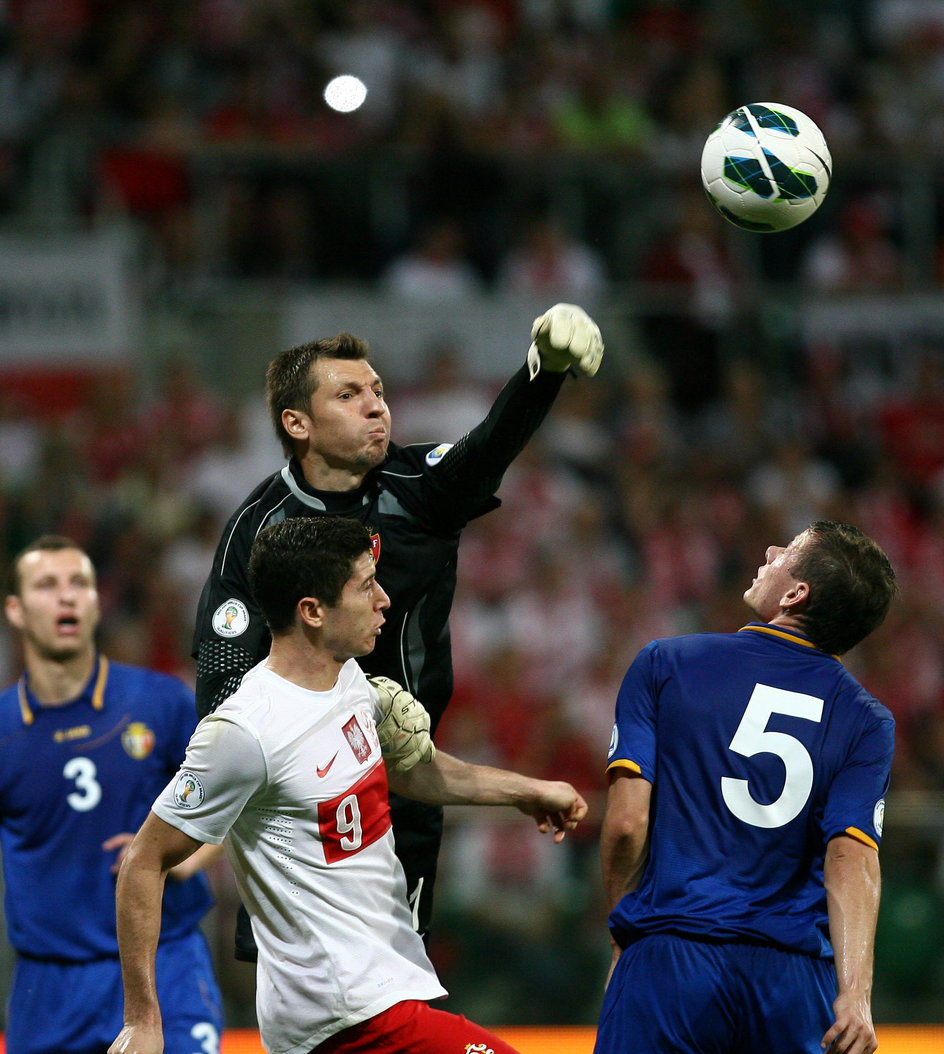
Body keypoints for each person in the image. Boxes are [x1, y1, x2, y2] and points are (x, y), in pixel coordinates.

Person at [191, 302, 603, 956]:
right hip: (300, 798)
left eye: (379, 392)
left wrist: (543, 371)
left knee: (394, 989)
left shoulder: (420, 488)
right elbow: (220, 671)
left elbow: (489, 444)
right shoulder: (257, 529)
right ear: (296, 422)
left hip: (405, 784)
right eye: (349, 394)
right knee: (301, 989)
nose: (377, 406)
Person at [109, 516, 587, 1054]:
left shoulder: (348, 679)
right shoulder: (245, 731)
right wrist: (142, 1021)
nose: (383, 600)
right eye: (365, 586)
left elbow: (412, 771)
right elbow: (144, 861)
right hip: (344, 1014)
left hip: (382, 991)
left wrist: (526, 791)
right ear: (312, 612)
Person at [594, 520, 898, 1054]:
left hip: (672, 955)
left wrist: (626, 930)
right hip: (792, 981)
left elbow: (625, 825)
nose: (771, 550)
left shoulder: (666, 664)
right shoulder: (868, 720)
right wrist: (855, 995)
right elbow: (851, 861)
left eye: (788, 550)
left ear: (795, 594)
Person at [0, 535, 222, 1054]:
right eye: (47, 585)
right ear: (15, 608)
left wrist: (183, 860)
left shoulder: (160, 702)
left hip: (165, 963)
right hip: (49, 987)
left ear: (97, 602)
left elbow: (237, 804)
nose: (66, 597)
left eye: (79, 583)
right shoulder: (3, 729)